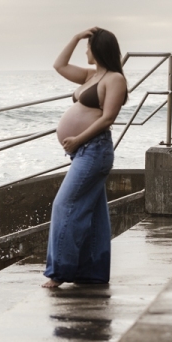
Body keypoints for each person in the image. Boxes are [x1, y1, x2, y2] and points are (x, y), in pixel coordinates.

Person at [43, 27, 127, 289]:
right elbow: (59, 65)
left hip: (94, 150)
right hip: (82, 152)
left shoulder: (114, 79)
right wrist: (77, 37)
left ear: (99, 48)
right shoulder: (91, 76)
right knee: (93, 214)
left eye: (88, 46)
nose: (86, 51)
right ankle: (92, 272)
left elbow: (108, 118)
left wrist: (79, 139)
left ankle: (58, 272)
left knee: (64, 206)